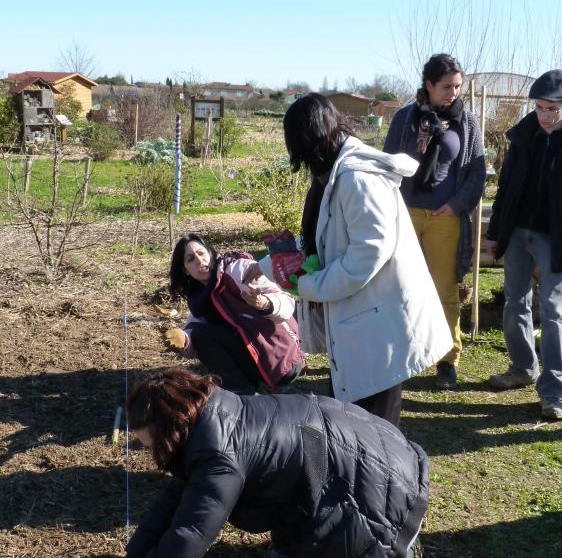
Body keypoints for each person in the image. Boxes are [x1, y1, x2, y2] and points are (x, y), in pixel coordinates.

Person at [87, 367, 429, 558]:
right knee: (294, 505)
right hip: (369, 454)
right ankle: (300, 550)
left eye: (147, 442)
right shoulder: (214, 414)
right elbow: (174, 500)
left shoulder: (220, 455)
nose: (145, 449)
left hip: (380, 495)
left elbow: (185, 542)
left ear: (170, 430)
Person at [282, 93, 452, 428]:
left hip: (378, 324)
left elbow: (368, 253)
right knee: (352, 421)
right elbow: (333, 239)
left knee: (374, 433)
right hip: (364, 321)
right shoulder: (335, 174)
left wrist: (311, 285)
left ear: (311, 140)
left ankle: (383, 482)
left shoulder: (357, 178)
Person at [384, 54, 486, 390]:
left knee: (444, 291)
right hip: (406, 215)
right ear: (428, 85)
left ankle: (447, 360)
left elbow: (476, 172)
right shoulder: (405, 119)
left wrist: (456, 206)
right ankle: (403, 353)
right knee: (401, 287)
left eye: (458, 86)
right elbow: (386, 164)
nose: (453, 93)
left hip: (445, 218)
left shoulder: (466, 123)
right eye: (446, 86)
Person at [486, 70, 562, 421]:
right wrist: (496, 230)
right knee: (515, 301)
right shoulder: (522, 137)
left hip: (554, 237)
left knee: (552, 310)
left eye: (551, 108)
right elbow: (504, 189)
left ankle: (554, 389)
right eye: (540, 107)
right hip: (518, 232)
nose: (544, 114)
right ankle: (522, 367)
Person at [167, 233, 304, 394]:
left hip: (283, 360)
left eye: (201, 253)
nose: (199, 260)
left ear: (210, 253)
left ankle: (245, 393)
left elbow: (287, 303)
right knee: (199, 334)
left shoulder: (238, 270)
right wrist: (184, 340)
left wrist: (264, 303)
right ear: (186, 271)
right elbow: (196, 328)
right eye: (191, 259)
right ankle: (242, 393)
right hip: (254, 362)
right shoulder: (200, 299)